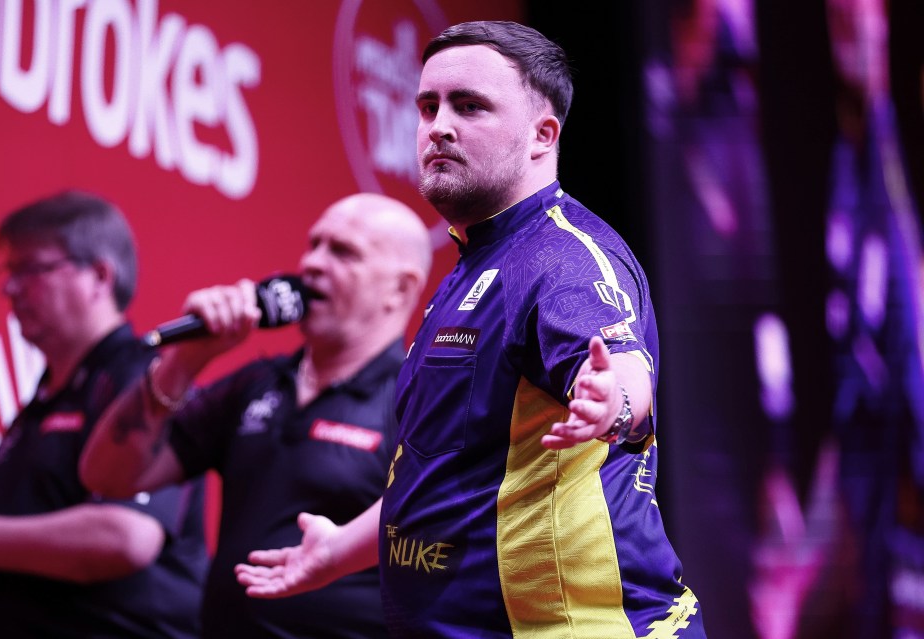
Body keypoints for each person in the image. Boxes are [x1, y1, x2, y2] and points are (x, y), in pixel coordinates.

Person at [235, 20, 708, 638]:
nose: (439, 127)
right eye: (428, 106)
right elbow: (452, 480)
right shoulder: (473, 267)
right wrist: (339, 550)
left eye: (469, 106)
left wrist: (613, 401)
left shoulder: (561, 257)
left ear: (543, 135)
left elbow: (622, 368)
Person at [79, 192, 433, 638]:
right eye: (314, 244)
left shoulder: (418, 398)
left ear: (400, 287)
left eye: (343, 252)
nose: (312, 264)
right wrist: (185, 361)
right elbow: (108, 476)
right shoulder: (257, 384)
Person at [0, 190, 208, 638]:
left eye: (30, 269)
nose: (9, 287)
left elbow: (123, 537)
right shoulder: (48, 395)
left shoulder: (147, 384)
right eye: (8, 271)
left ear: (98, 276)